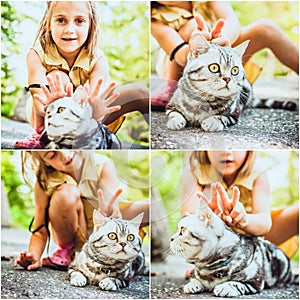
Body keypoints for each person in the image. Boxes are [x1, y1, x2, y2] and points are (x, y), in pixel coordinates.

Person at [14, 1, 149, 149]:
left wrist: (93, 113)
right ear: (48, 24)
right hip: (48, 117)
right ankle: (42, 136)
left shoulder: (98, 60)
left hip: (86, 115)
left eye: (79, 21)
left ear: (91, 25)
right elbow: (38, 98)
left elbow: (92, 99)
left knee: (140, 92)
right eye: (61, 20)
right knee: (58, 77)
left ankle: (156, 138)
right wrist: (51, 105)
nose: (69, 29)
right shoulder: (36, 54)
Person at [14, 150, 149, 271]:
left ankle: (123, 252)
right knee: (66, 193)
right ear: (46, 162)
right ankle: (67, 249)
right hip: (74, 229)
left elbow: (108, 202)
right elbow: (40, 230)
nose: (66, 155)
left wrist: (113, 214)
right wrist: (33, 255)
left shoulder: (101, 164)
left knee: (150, 207)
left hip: (103, 227)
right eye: (52, 155)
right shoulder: (45, 181)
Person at [151, 1, 299, 110]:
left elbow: (232, 22)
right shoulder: (155, 19)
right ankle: (170, 89)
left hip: (224, 62)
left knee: (266, 28)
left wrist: (222, 41)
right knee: (192, 27)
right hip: (185, 69)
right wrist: (198, 44)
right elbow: (181, 55)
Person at [182, 151, 299, 259]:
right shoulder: (194, 172)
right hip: (214, 244)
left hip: (254, 239)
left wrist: (244, 220)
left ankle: (269, 261)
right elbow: (188, 221)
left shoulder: (258, 174)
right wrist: (210, 219)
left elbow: (264, 223)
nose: (226, 151)